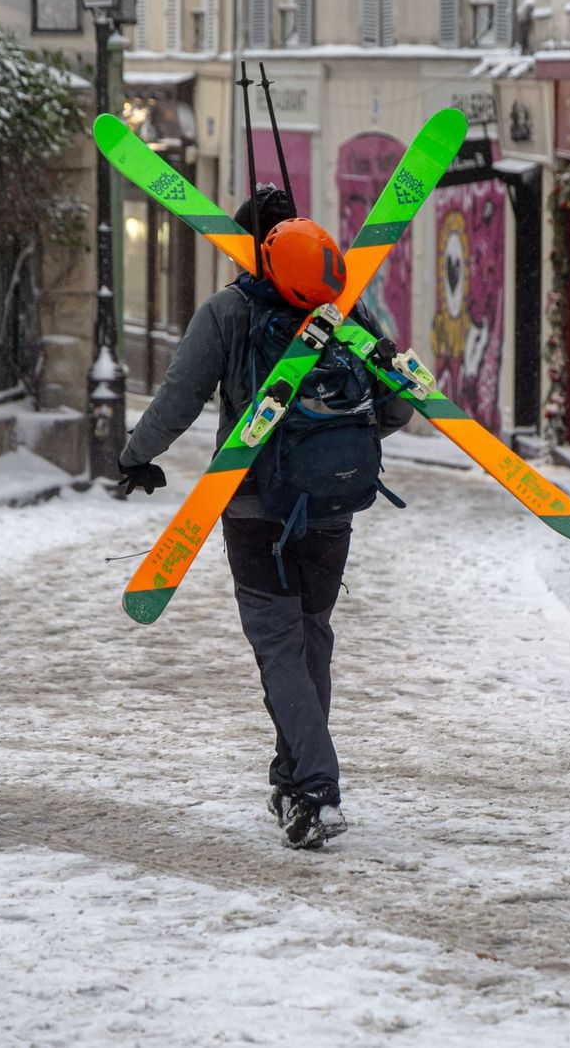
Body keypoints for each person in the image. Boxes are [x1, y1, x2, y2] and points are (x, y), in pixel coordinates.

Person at [117, 185, 414, 850]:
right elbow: (396, 408)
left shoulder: (227, 311)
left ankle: (314, 786)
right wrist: (326, 449)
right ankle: (290, 780)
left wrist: (137, 456)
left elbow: (180, 397)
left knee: (279, 648)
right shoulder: (345, 309)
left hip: (255, 504)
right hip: (334, 504)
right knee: (311, 641)